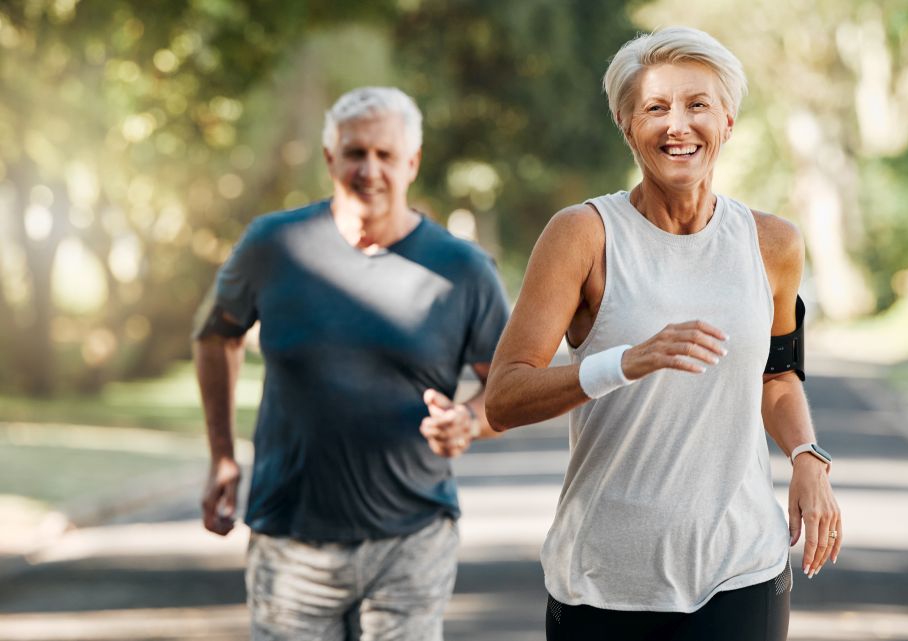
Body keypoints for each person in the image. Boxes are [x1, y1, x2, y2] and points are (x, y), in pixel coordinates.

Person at [484, 27, 841, 641]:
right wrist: (624, 363)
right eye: (656, 108)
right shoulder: (583, 235)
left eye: (698, 104)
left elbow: (778, 375)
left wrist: (807, 457)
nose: (679, 125)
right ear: (627, 125)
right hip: (604, 579)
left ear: (727, 121)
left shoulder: (773, 244)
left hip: (742, 569)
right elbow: (504, 399)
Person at [193, 86, 510, 641]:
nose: (370, 170)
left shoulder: (463, 270)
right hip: (291, 544)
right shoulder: (274, 245)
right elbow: (216, 336)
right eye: (355, 153)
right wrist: (222, 454)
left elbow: (509, 385)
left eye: (385, 155)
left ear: (412, 163)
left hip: (412, 539)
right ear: (329, 158)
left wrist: (469, 421)